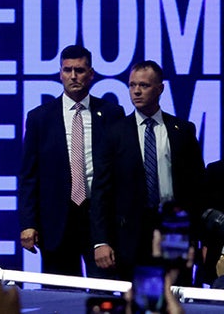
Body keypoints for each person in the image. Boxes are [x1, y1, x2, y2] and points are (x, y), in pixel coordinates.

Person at [91, 60, 205, 280]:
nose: (136, 91)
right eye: (132, 85)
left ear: (160, 89)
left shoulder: (182, 130)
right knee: (140, 301)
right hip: (130, 235)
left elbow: (197, 189)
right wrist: (101, 241)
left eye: (144, 85)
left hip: (175, 229)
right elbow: (101, 192)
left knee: (176, 293)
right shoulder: (115, 134)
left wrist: (199, 239)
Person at [16, 44, 124, 276]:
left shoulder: (112, 114)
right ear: (60, 73)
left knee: (103, 293)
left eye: (79, 70)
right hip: (55, 222)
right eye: (67, 70)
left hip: (100, 220)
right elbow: (28, 176)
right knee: (59, 297)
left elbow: (121, 171)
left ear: (91, 74)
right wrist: (28, 223)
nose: (73, 76)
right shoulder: (39, 118)